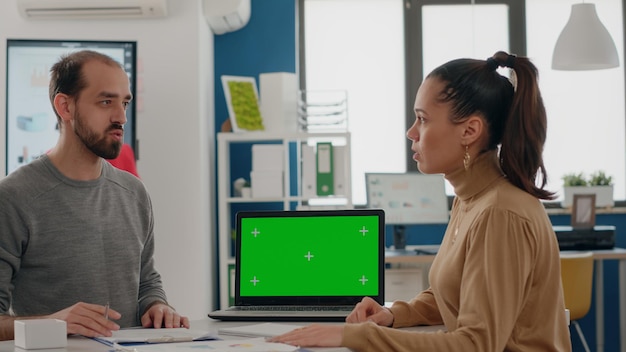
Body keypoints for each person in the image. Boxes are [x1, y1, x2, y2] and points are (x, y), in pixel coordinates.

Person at [269, 51, 572, 351]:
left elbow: (477, 344)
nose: (411, 132)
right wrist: (392, 315)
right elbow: (452, 297)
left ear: (470, 131)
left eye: (423, 120)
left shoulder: (499, 212)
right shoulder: (470, 200)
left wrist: (354, 337)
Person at [0, 50, 189, 341]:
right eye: (106, 102)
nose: (121, 117)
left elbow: (147, 282)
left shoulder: (134, 193)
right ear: (65, 107)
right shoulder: (14, 197)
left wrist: (157, 305)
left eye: (125, 102)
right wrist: (55, 322)